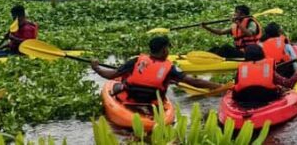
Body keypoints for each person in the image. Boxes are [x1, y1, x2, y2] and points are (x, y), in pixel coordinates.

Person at [90, 36, 219, 107]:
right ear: (164, 50)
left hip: (130, 98)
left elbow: (111, 75)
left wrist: (96, 67)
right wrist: (218, 87)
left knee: (118, 84)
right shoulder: (170, 68)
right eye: (168, 48)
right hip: (153, 103)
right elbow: (193, 81)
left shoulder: (136, 60)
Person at [231, 44, 297, 106]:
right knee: (281, 88)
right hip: (267, 98)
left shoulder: (241, 70)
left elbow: (237, 87)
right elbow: (289, 83)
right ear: (262, 54)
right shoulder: (268, 69)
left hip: (243, 99)